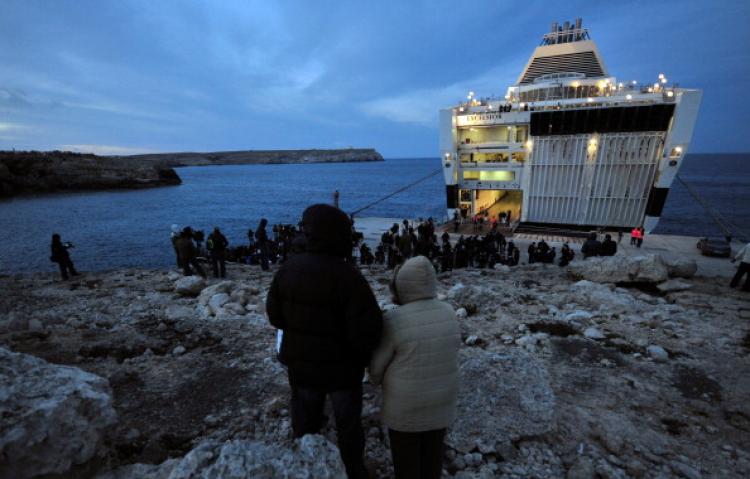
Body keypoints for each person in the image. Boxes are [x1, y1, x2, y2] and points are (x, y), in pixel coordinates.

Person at [266, 204, 383, 479]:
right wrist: (359, 357)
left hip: (302, 367)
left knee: (305, 421)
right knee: (348, 426)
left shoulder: (288, 269)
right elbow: (367, 331)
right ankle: (353, 471)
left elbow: (275, 317)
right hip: (342, 372)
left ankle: (305, 467)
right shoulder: (348, 276)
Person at [369, 256, 460, 479]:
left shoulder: (394, 319)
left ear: (402, 285)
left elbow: (377, 369)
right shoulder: (449, 312)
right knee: (432, 457)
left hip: (405, 406)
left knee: (406, 463)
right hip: (441, 400)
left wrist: (373, 378)